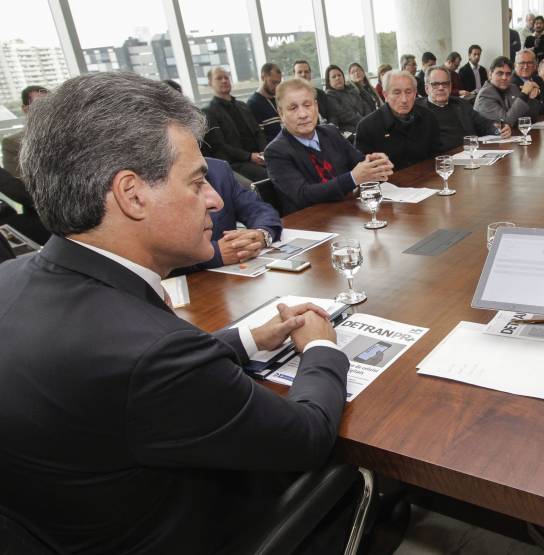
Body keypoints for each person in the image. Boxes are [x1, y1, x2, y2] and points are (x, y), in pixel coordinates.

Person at [2, 71, 352, 553]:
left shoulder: (11, 281)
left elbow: (118, 379)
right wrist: (318, 345)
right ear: (132, 194)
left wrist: (243, 339)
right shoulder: (155, 352)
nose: (213, 199)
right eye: (196, 181)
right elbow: (307, 436)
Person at [266, 78, 393, 214]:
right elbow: (303, 195)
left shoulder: (330, 132)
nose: (303, 114)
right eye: (293, 108)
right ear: (281, 114)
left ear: (316, 106)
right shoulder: (276, 152)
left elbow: (359, 162)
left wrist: (376, 164)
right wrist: (353, 178)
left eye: (307, 105)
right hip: (312, 222)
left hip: (348, 214)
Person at [175, 157, 282, 272]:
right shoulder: (163, 175)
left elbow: (260, 209)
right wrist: (216, 253)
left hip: (236, 276)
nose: (217, 203)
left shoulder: (219, 169)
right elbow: (159, 256)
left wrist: (260, 235)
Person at [355, 71, 441, 169]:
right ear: (385, 95)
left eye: (408, 92)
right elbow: (365, 170)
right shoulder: (367, 127)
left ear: (415, 93)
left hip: (426, 178)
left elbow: (436, 156)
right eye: (397, 93)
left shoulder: (428, 117)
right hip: (387, 182)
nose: (404, 99)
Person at [419, 66, 510, 151]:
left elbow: (484, 124)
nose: (441, 88)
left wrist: (500, 128)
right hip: (441, 160)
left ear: (450, 87)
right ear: (427, 88)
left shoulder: (461, 104)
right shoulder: (419, 111)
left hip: (471, 153)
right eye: (435, 84)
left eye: (445, 83)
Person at [203, 67, 268, 182]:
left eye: (226, 77)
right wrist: (249, 156)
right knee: (268, 175)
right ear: (210, 83)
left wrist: (264, 152)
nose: (224, 81)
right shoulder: (208, 112)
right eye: (219, 78)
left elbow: (258, 132)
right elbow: (220, 146)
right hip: (236, 163)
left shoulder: (242, 106)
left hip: (258, 157)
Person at [474, 55, 543, 125]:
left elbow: (530, 117)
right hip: (490, 135)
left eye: (508, 74)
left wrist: (533, 96)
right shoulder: (485, 95)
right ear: (490, 74)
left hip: (513, 134)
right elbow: (506, 122)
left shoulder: (512, 87)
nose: (504, 77)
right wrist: (524, 94)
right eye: (500, 73)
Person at [2, 85, 48, 180]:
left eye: (50, 104)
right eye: (38, 105)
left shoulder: (71, 133)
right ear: (25, 109)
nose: (46, 110)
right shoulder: (12, 143)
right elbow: (19, 185)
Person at [324, 64, 371, 135]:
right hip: (350, 131)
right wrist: (364, 123)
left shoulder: (351, 89)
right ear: (329, 81)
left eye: (339, 75)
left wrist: (370, 119)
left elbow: (365, 105)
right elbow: (344, 116)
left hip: (365, 124)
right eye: (334, 77)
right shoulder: (329, 95)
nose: (337, 78)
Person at [247, 63, 283, 142]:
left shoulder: (278, 99)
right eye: (273, 82)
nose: (277, 87)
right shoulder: (253, 103)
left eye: (279, 83)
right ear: (263, 77)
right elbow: (259, 136)